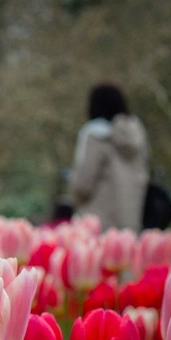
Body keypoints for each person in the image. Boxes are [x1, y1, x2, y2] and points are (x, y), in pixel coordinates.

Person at [68, 83, 149, 231]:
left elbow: (83, 184)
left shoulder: (95, 135)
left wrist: (75, 193)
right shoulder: (136, 137)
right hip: (130, 221)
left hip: (97, 221)